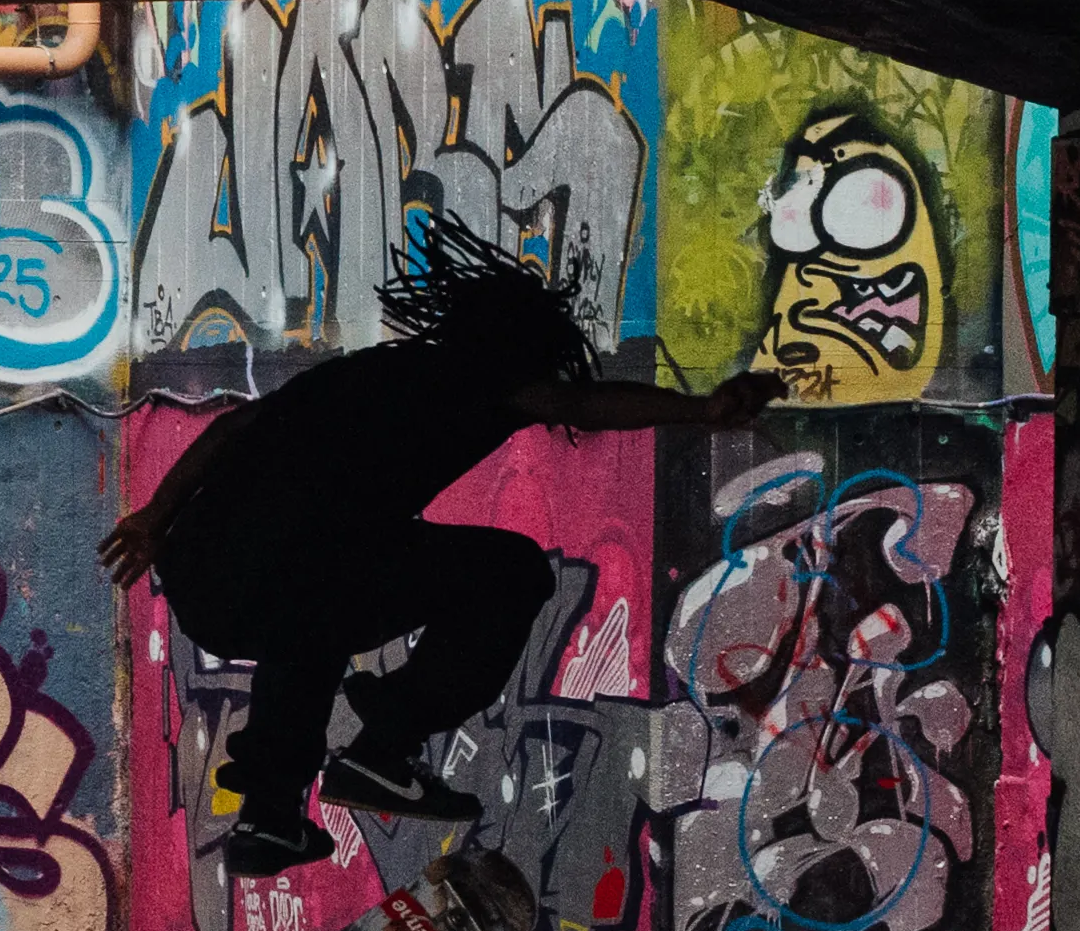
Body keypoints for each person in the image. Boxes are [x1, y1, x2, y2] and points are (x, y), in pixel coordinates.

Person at [99, 221, 785, 874]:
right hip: (287, 563)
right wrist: (700, 410)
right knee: (509, 573)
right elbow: (588, 405)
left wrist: (156, 516)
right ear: (523, 352)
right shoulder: (484, 379)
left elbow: (233, 430)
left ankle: (270, 816)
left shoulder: (369, 370)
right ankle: (387, 742)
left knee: (311, 621)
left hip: (206, 570)